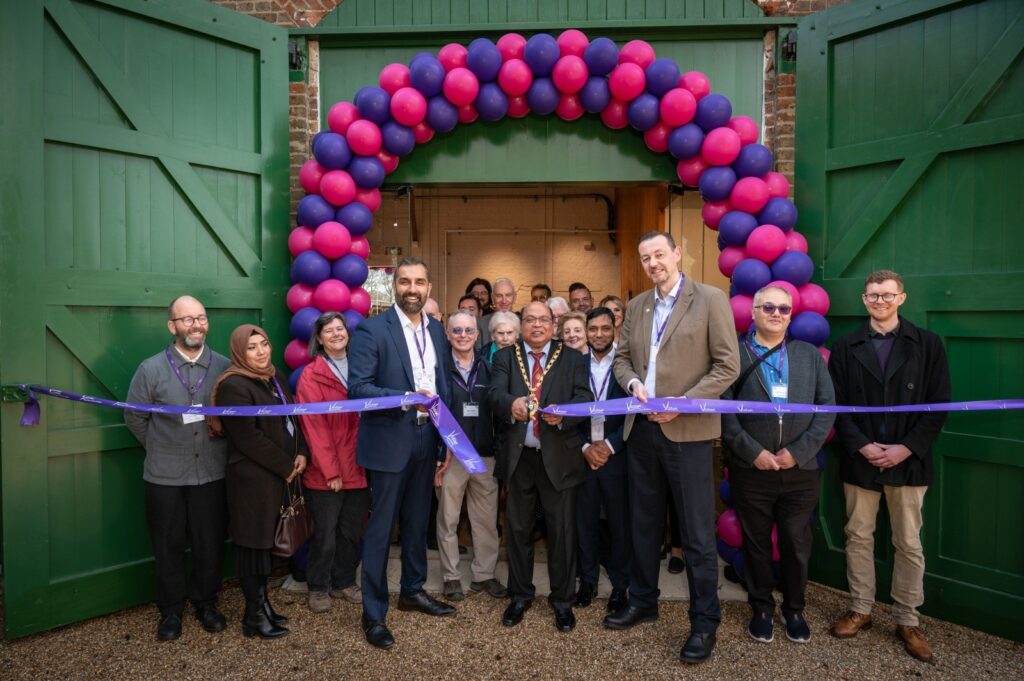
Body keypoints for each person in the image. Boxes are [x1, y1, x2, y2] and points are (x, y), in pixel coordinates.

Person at [607, 231, 739, 666]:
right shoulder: (637, 305)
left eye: (659, 254)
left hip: (689, 435)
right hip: (641, 432)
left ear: (677, 254)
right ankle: (643, 601)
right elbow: (622, 359)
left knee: (698, 536)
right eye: (646, 258)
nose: (653, 263)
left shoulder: (710, 299)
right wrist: (632, 383)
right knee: (643, 526)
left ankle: (704, 622)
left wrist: (681, 405)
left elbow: (727, 365)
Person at [828, 270, 950, 664]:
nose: (879, 301)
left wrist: (905, 448)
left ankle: (907, 619)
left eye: (887, 295)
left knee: (908, 543)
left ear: (902, 298)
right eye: (872, 296)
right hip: (861, 459)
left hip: (908, 460)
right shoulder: (846, 347)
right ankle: (860, 608)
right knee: (858, 536)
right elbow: (836, 405)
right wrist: (863, 446)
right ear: (864, 300)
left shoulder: (928, 345)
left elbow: (938, 405)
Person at [348, 257, 455, 649]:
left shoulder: (437, 331)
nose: (413, 288)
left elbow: (443, 386)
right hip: (389, 442)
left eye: (420, 282)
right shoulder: (371, 330)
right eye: (406, 281)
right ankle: (373, 614)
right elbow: (357, 390)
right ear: (396, 286)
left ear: (429, 287)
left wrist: (445, 442)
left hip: (427, 440)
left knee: (416, 522)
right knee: (381, 530)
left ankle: (412, 590)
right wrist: (405, 399)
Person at [721, 285, 835, 644]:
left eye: (783, 309)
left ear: (791, 315)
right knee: (755, 543)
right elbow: (723, 411)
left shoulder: (808, 355)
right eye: (768, 307)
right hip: (751, 468)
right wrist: (752, 451)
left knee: (796, 543)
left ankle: (795, 609)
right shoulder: (733, 355)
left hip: (800, 471)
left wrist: (798, 452)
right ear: (753, 312)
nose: (776, 313)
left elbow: (826, 407)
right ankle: (762, 608)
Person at [125, 295, 232, 641]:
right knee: (168, 545)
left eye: (201, 318)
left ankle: (206, 603)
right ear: (172, 326)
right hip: (164, 476)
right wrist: (162, 448)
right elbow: (135, 417)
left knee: (209, 542)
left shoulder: (224, 366)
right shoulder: (151, 369)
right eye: (187, 319)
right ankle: (170, 611)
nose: (196, 325)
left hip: (212, 474)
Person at [489, 301, 593, 632]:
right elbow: (493, 394)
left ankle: (563, 600)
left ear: (554, 324)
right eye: (530, 320)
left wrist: (565, 413)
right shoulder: (505, 356)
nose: (537, 325)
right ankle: (520, 595)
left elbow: (584, 398)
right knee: (517, 530)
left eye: (543, 320)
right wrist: (510, 403)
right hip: (520, 459)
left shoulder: (573, 358)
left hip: (559, 458)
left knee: (561, 532)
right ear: (521, 325)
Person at [210, 324, 307, 639]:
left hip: (279, 477)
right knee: (252, 548)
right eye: (252, 347)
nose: (261, 351)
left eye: (264, 343)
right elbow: (247, 437)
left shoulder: (274, 378)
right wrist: (284, 465)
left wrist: (302, 452)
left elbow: (293, 418)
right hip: (252, 482)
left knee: (266, 547)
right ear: (240, 352)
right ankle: (253, 616)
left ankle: (264, 606)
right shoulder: (234, 386)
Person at [295, 312, 370, 614]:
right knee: (325, 535)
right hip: (328, 472)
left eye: (340, 328)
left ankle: (343, 582)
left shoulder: (363, 367)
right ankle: (318, 586)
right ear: (319, 339)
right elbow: (315, 428)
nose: (336, 334)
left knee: (351, 532)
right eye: (329, 331)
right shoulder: (311, 376)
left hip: (360, 466)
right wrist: (331, 471)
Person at [435, 311, 508, 602]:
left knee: (486, 520)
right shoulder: (438, 369)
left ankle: (484, 574)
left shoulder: (491, 369)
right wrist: (438, 454)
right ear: (448, 335)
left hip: (484, 457)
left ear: (478, 336)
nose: (463, 335)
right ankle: (451, 576)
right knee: (448, 519)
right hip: (451, 457)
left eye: (468, 331)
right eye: (457, 331)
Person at [575, 307, 630, 614]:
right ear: (586, 331)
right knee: (584, 521)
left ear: (614, 330)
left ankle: (620, 585)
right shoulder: (575, 365)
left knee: (620, 522)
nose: (598, 334)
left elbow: (635, 412)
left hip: (616, 455)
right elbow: (567, 411)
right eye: (593, 329)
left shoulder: (626, 366)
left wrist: (609, 446)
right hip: (583, 456)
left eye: (604, 329)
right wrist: (586, 447)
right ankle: (587, 581)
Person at [480, 277, 517, 345]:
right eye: (499, 296)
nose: (504, 301)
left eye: (508, 295)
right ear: (492, 298)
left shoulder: (523, 323)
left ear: (514, 298)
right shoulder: (480, 324)